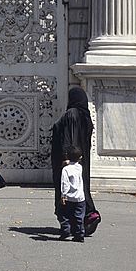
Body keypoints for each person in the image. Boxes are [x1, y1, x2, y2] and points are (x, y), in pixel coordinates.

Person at [51, 86, 100, 236]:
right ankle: (83, 219)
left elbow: (69, 138)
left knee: (67, 190)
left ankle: (71, 224)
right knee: (79, 189)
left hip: (69, 161)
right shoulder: (85, 116)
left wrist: (66, 158)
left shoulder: (71, 114)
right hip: (81, 161)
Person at [58, 145, 86, 242]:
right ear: (80, 157)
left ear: (66, 156)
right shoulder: (80, 168)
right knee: (79, 216)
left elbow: (64, 183)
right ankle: (79, 234)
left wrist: (63, 195)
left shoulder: (66, 169)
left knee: (64, 215)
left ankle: (66, 230)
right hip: (80, 197)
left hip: (69, 197)